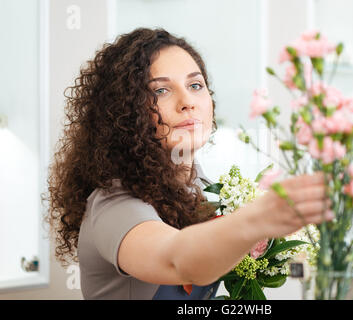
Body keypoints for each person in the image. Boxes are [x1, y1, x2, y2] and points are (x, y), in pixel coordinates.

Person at [43, 27, 333, 300]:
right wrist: (257, 220)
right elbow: (176, 260)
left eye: (196, 85)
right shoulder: (114, 204)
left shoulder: (200, 188)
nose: (187, 102)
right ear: (124, 112)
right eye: (160, 90)